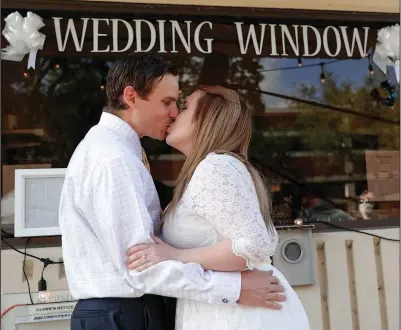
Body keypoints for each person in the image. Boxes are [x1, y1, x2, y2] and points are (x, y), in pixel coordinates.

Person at [59, 53, 286, 330]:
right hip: (122, 314)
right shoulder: (113, 159)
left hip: (131, 311)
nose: (174, 112)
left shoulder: (119, 152)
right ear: (131, 97)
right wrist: (235, 288)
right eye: (166, 102)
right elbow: (140, 265)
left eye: (179, 104)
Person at [125, 85, 310, 329]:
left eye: (185, 107)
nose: (174, 114)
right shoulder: (209, 169)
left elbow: (253, 245)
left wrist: (176, 255)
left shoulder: (217, 167)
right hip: (225, 308)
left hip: (242, 315)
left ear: (206, 119)